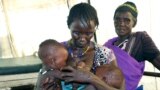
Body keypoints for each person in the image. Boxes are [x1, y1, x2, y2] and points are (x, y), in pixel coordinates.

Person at [36, 2, 125, 90]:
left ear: (95, 29)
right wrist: (43, 83)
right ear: (69, 25)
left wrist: (91, 78)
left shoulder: (105, 54)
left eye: (89, 33)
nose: (82, 38)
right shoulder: (56, 50)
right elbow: (42, 79)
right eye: (76, 33)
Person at [103, 1, 160, 90]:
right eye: (117, 19)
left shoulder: (140, 39)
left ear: (134, 22)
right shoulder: (108, 44)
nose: (121, 24)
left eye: (127, 20)